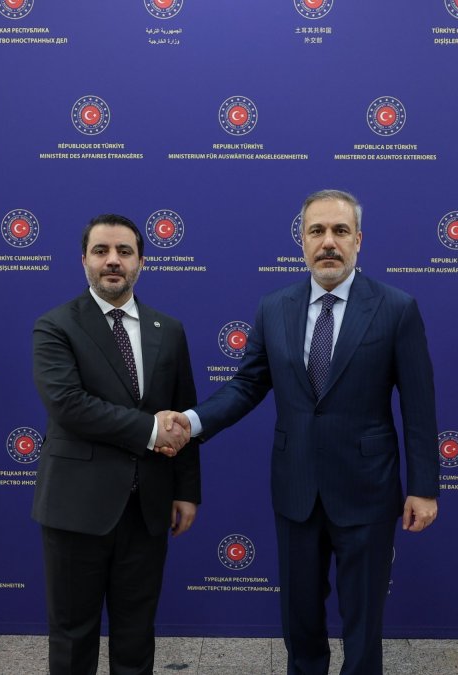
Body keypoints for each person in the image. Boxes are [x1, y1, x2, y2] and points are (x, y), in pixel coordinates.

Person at [165, 189, 439, 674]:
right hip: (296, 490)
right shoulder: (275, 307)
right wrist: (193, 422)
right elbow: (247, 384)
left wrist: (422, 488)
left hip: (368, 490)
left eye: (339, 231)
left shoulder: (397, 308)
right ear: (302, 242)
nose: (327, 242)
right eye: (317, 231)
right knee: (299, 622)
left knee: (363, 624)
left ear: (359, 240)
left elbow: (418, 406)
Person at [31, 213, 200, 675]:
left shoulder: (170, 330)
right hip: (75, 510)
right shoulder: (55, 326)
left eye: (124, 252)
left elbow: (183, 415)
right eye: (101, 251)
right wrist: (150, 429)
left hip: (147, 509)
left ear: (140, 262)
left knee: (136, 633)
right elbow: (70, 405)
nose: (113, 261)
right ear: (83, 260)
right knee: (72, 635)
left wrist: (186, 490)